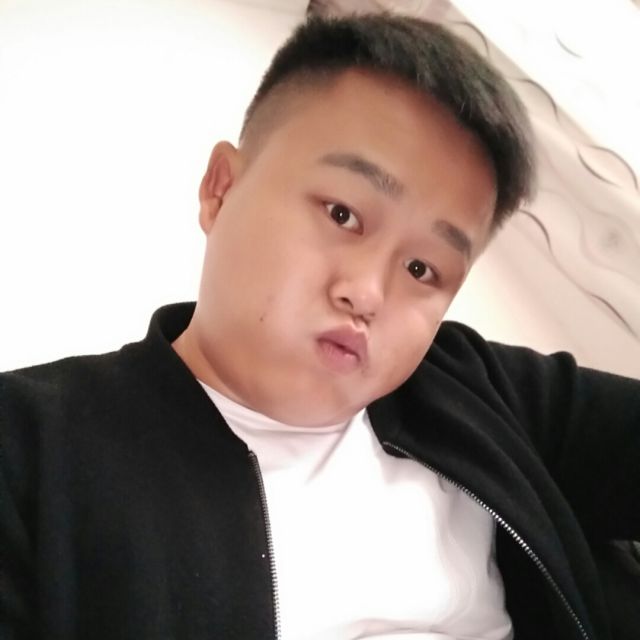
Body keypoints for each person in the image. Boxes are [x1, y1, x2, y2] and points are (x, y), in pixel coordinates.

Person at [1, 12, 638, 640]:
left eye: (422, 268)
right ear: (221, 188)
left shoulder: (467, 385)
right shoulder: (30, 446)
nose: (367, 293)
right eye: (342, 214)